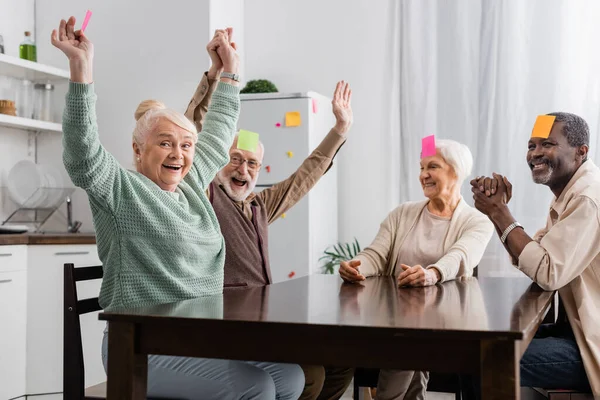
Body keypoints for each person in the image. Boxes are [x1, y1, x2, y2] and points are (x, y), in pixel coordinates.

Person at [51, 17, 303, 399]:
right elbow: (83, 153)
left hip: (198, 339)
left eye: (186, 145)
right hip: (140, 346)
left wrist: (230, 73)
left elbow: (218, 137)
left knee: (291, 377)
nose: (179, 153)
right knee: (257, 387)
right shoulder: (121, 189)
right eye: (165, 143)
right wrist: (81, 69)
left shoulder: (190, 188)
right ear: (138, 150)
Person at [184, 40, 353, 399]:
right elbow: (194, 136)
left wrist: (339, 130)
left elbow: (303, 178)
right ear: (217, 160)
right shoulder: (205, 196)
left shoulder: (259, 205)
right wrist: (214, 76)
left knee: (342, 363)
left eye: (252, 164)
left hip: (264, 324)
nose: (243, 170)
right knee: (310, 377)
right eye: (235, 159)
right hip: (228, 327)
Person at [339, 139, 494, 400]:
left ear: (455, 171)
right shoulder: (403, 213)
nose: (423, 175)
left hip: (448, 325)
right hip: (398, 321)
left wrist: (432, 273)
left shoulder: (477, 221)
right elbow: (376, 254)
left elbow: (460, 257)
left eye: (432, 166)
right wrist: (356, 266)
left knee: (407, 346)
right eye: (421, 167)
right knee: (408, 341)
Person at [472, 112, 599, 396]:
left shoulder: (586, 199)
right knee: (480, 344)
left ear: (581, 152)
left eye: (548, 144)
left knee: (485, 359)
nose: (536, 154)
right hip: (576, 331)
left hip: (591, 341)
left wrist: (499, 213)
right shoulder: (568, 194)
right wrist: (499, 212)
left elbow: (546, 272)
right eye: (532, 146)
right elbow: (535, 257)